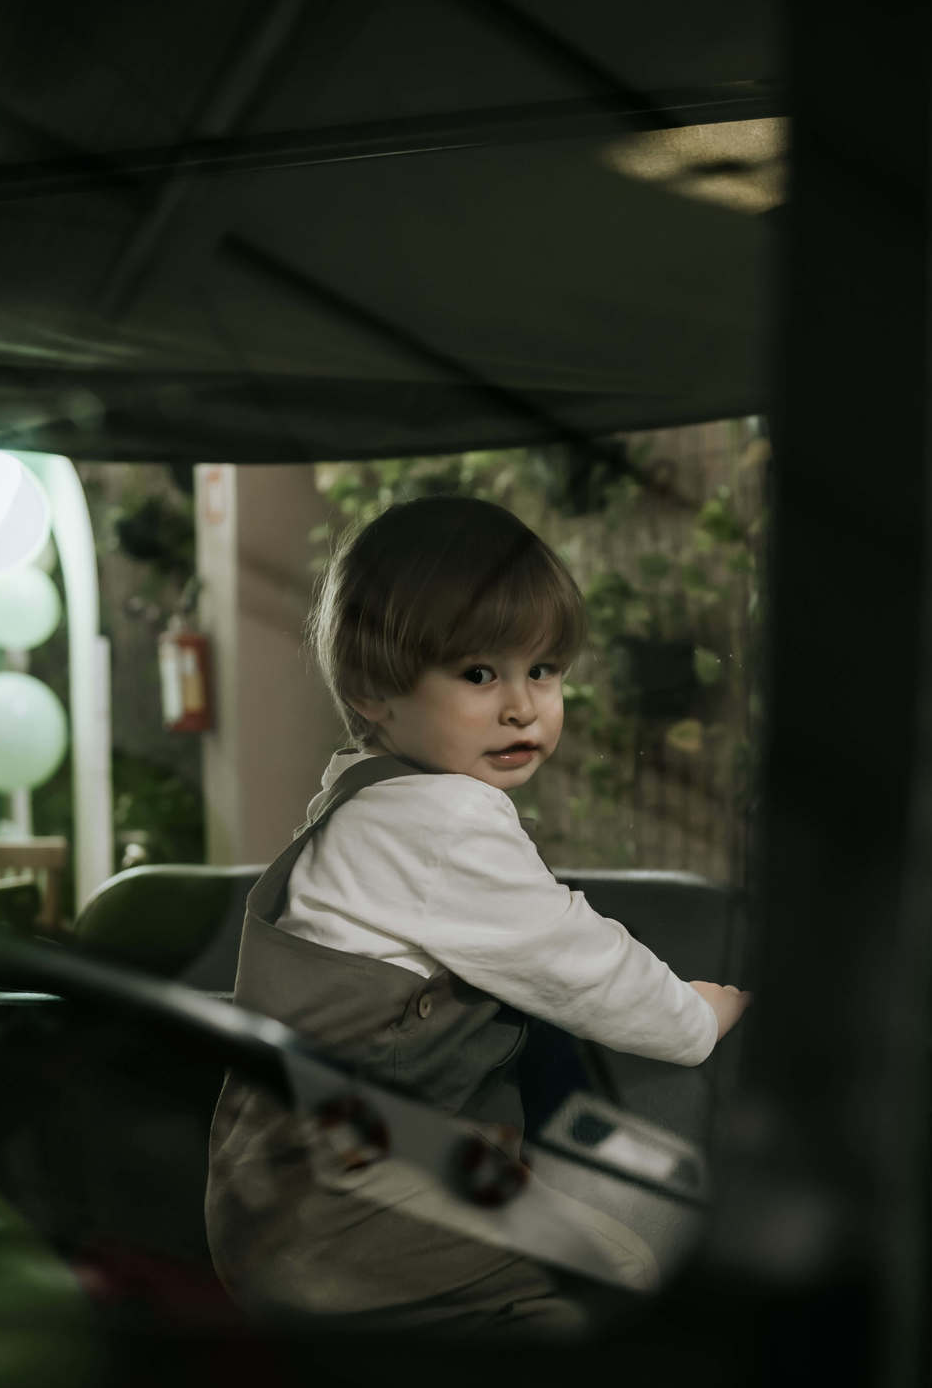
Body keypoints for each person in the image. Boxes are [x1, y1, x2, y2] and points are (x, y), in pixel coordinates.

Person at [206, 496, 749, 1339]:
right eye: (478, 674)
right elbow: (578, 959)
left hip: (281, 1195)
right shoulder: (441, 822)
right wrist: (698, 1015)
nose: (523, 707)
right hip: (355, 1205)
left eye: (544, 671)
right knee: (626, 1264)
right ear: (371, 691)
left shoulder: (357, 795)